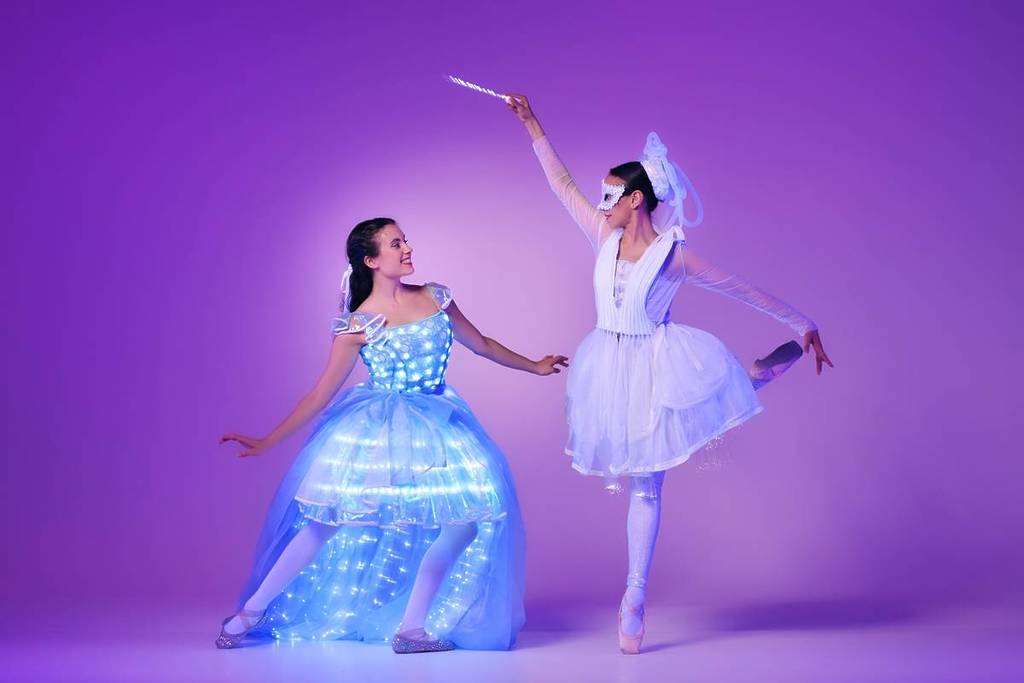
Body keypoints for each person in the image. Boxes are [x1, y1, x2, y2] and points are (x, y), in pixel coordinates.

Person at [505, 94, 833, 654]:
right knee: (640, 474)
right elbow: (561, 185)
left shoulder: (673, 256)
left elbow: (742, 289)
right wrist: (533, 125)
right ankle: (749, 376)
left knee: (648, 484)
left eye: (610, 195)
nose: (601, 202)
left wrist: (803, 322)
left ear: (636, 200)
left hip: (656, 363)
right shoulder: (602, 235)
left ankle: (634, 596)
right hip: (608, 366)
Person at [217, 217, 568, 652]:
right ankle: (248, 615)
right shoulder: (358, 325)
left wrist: (534, 366)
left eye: (405, 240)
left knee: (464, 523)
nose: (407, 248)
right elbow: (320, 394)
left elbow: (481, 344)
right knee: (327, 522)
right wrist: (268, 440)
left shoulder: (436, 297)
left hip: (438, 424)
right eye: (395, 243)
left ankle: (411, 629)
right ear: (371, 260)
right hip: (380, 428)